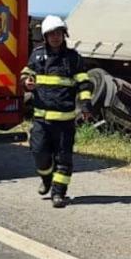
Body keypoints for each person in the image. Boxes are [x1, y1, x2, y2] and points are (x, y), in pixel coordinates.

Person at [21, 15, 93, 208]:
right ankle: (46, 179)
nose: (55, 37)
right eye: (51, 34)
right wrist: (26, 82)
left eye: (59, 33)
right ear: (45, 36)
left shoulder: (73, 58)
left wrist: (85, 106)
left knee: (64, 158)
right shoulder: (37, 55)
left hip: (64, 122)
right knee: (39, 154)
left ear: (64, 34)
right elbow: (26, 73)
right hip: (41, 121)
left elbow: (84, 83)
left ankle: (58, 193)